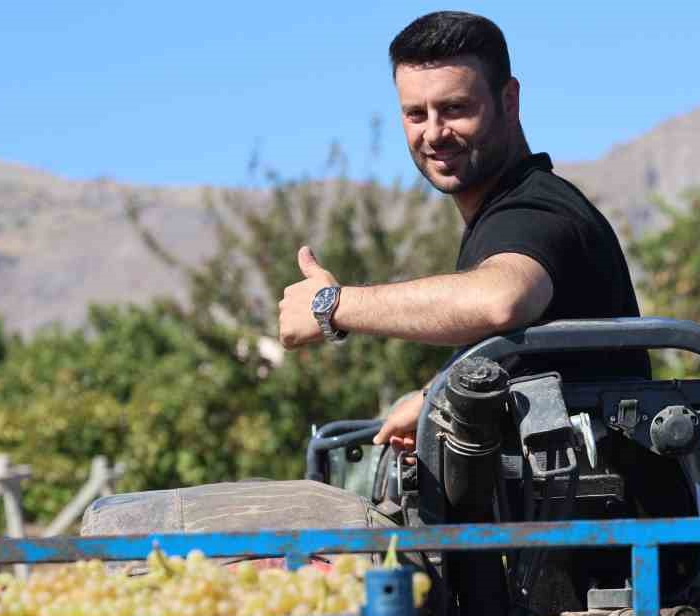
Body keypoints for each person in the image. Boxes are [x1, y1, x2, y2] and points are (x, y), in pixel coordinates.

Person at [275, 10, 649, 456]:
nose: (434, 133)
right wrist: (435, 396)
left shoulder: (538, 210)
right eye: (416, 114)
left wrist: (333, 306)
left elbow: (501, 299)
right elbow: (523, 351)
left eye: (454, 109)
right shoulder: (499, 219)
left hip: (617, 518)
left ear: (509, 101)